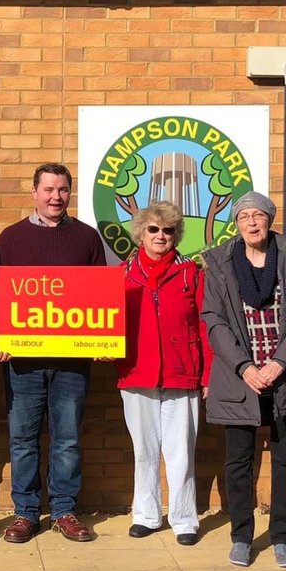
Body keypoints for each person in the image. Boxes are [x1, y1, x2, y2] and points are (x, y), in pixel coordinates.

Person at [200, 190, 286, 570]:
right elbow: (214, 319)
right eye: (243, 217)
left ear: (270, 219)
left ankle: (283, 537)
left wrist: (279, 362)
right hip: (241, 378)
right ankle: (241, 535)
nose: (252, 223)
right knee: (238, 462)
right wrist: (244, 367)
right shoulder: (220, 263)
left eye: (258, 215)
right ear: (235, 224)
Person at [0, 162, 107, 542]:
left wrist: (104, 338)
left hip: (71, 362)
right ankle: (26, 513)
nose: (56, 197)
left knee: (68, 438)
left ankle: (63, 511)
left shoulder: (87, 238)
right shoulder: (11, 238)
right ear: (34, 192)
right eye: (49, 190)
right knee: (22, 440)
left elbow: (98, 298)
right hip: (22, 362)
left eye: (63, 190)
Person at [115, 201, 207, 546]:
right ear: (141, 232)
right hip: (137, 371)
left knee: (181, 449)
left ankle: (184, 518)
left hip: (182, 371)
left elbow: (206, 324)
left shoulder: (191, 273)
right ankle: (147, 515)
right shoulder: (124, 272)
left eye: (168, 230)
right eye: (153, 229)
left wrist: (207, 373)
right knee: (144, 449)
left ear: (176, 235)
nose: (161, 236)